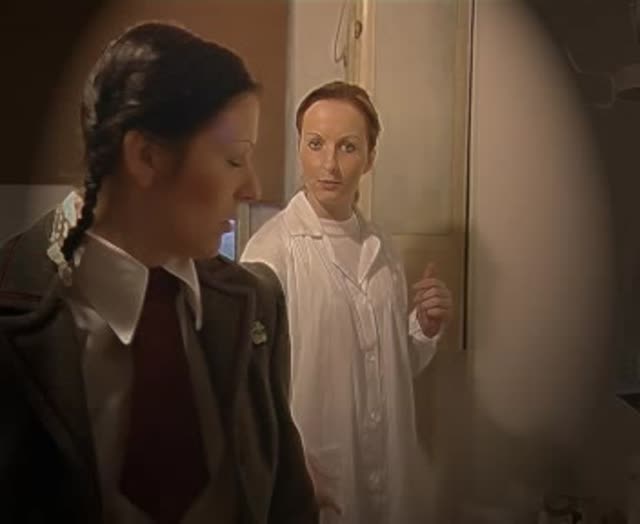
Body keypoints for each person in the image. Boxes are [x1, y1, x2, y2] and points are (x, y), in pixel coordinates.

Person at [0, 21, 317, 524]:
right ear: (146, 156)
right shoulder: (13, 314)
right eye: (234, 159)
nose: (254, 188)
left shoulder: (254, 303)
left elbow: (288, 504)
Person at [240, 81, 453, 523]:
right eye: (316, 144)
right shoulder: (270, 254)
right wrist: (287, 467)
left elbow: (387, 368)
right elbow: (247, 389)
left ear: (370, 158)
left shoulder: (383, 249)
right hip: (316, 485)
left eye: (348, 147)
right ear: (299, 147)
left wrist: (424, 327)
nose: (329, 165)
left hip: (391, 482)